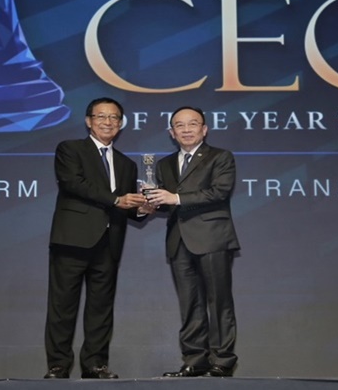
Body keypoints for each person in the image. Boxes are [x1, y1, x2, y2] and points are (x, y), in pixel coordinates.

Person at [44, 97, 148, 379]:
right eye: (101, 116)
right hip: (72, 239)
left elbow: (126, 206)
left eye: (114, 118)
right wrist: (116, 199)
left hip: (109, 243)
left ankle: (95, 364)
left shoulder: (126, 164)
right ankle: (58, 366)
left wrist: (142, 209)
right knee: (62, 307)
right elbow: (73, 183)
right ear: (89, 121)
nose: (108, 122)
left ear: (121, 124)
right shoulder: (70, 149)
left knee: (101, 309)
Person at [146, 106, 241, 377]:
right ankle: (195, 360)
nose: (186, 130)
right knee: (190, 304)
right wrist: (148, 204)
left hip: (212, 237)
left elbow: (219, 192)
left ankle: (222, 360)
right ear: (171, 132)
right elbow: (166, 203)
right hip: (178, 240)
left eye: (192, 124)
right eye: (180, 125)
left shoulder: (220, 157)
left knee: (218, 301)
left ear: (204, 129)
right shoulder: (164, 164)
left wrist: (175, 198)